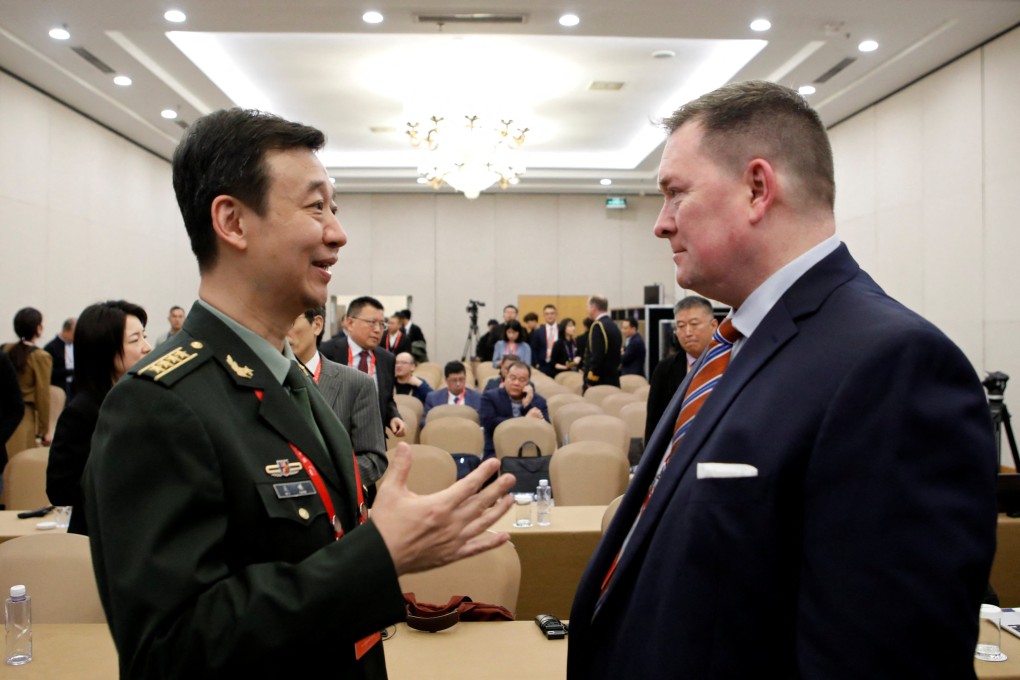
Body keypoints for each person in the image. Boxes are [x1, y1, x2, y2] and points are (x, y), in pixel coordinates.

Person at [567, 81, 997, 679]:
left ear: (757, 188)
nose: (660, 224)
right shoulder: (734, 346)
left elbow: (880, 658)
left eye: (674, 194)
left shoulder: (893, 364)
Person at [82, 107, 515, 679]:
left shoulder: (291, 381)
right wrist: (379, 555)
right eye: (315, 207)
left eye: (333, 209)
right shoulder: (158, 404)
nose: (337, 232)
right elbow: (170, 650)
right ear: (233, 222)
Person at [46, 300, 151, 535]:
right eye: (135, 340)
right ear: (105, 350)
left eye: (145, 336)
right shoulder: (83, 412)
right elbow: (59, 487)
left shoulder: (145, 399)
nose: (147, 347)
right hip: (103, 536)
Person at [287, 307, 388, 497]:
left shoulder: (356, 383)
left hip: (336, 504)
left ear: (316, 325)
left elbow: (373, 460)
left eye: (290, 320)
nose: (280, 329)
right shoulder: (260, 381)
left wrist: (318, 478)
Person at [319, 296, 407, 439]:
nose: (378, 330)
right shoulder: (326, 353)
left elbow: (387, 399)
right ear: (350, 323)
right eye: (372, 323)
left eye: (382, 324)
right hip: (332, 439)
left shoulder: (387, 359)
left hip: (373, 441)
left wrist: (393, 417)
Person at [645, 296, 718, 444]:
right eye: (681, 326)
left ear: (714, 325)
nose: (688, 332)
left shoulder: (728, 363)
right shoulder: (665, 369)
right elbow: (654, 422)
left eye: (694, 324)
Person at [3, 307, 52, 458]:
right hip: (24, 417)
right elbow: (42, 395)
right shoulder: (41, 356)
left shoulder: (5, 349)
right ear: (37, 328)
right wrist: (45, 430)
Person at [479, 360, 549, 459]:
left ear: (528, 382)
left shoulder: (538, 401)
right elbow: (489, 424)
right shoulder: (490, 397)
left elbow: (546, 430)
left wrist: (527, 406)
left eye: (522, 380)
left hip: (530, 451)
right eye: (512, 378)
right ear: (505, 377)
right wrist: (525, 420)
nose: (516, 383)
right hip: (498, 451)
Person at [582, 295, 621, 390]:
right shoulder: (613, 325)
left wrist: (591, 380)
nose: (587, 310)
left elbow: (597, 356)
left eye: (588, 307)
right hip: (613, 379)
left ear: (593, 307)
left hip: (600, 382)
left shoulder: (598, 326)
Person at [44, 317, 76, 398]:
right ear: (65, 330)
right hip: (59, 389)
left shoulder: (75, 346)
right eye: (74, 333)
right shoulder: (51, 347)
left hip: (73, 388)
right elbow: (49, 372)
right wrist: (71, 371)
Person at [530, 304, 560, 377]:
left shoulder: (561, 330)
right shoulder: (538, 331)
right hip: (543, 365)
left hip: (558, 365)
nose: (550, 316)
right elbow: (534, 349)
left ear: (556, 314)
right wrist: (536, 363)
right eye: (547, 314)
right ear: (543, 315)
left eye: (552, 313)